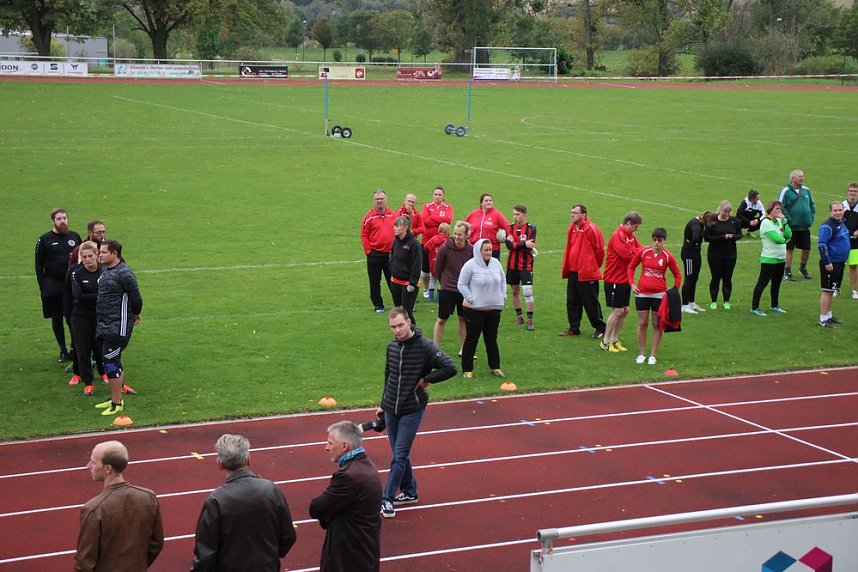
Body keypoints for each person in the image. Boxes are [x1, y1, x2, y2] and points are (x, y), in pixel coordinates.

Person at [378, 307, 456, 518]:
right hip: (391, 408)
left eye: (400, 325)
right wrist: (382, 404)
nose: (397, 331)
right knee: (398, 454)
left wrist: (427, 380)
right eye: (393, 327)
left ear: (409, 322)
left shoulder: (425, 347)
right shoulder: (392, 348)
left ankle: (387, 499)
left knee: (400, 454)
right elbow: (388, 375)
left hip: (412, 409)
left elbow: (450, 367)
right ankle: (410, 491)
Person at [191, 434, 297, 571]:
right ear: (248, 459)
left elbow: (206, 553)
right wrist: (269, 557)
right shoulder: (272, 490)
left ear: (219, 463)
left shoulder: (216, 500)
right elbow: (288, 536)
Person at [74, 440, 163, 572]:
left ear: (108, 468)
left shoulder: (93, 509)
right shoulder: (148, 498)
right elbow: (156, 543)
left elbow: (84, 563)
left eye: (93, 462)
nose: (88, 465)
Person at [309, 421, 382, 572]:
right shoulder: (368, 466)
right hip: (364, 552)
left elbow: (317, 508)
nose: (326, 447)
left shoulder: (348, 476)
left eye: (330, 443)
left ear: (344, 446)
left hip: (349, 557)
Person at [94, 240, 143, 416]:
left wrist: (135, 314)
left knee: (110, 363)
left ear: (115, 253)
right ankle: (115, 397)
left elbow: (136, 297)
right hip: (106, 323)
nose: (100, 255)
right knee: (113, 361)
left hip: (118, 326)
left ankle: (117, 402)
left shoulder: (125, 273)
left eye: (103, 252)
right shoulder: (106, 270)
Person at [627, 228, 681, 365]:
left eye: (659, 240)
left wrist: (675, 289)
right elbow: (631, 267)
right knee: (642, 323)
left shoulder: (668, 256)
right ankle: (641, 353)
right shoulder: (644, 252)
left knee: (657, 324)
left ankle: (653, 355)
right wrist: (632, 284)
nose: (656, 243)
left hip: (659, 295)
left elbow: (677, 273)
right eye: (654, 240)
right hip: (642, 293)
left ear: (664, 241)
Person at [35, 207, 82, 362]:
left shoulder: (75, 236)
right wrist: (43, 286)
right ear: (53, 221)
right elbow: (38, 265)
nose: (62, 221)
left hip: (71, 285)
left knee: (73, 317)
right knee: (57, 318)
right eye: (59, 218)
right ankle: (63, 350)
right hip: (53, 285)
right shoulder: (44, 239)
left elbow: (82, 259)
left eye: (64, 218)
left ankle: (75, 349)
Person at [457, 239, 507, 379]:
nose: (488, 253)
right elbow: (461, 284)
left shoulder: (496, 263)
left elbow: (503, 280)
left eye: (490, 250)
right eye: (486, 250)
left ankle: (495, 367)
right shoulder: (470, 266)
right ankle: (467, 369)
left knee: (491, 339)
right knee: (472, 338)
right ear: (479, 251)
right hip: (474, 310)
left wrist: (502, 296)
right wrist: (472, 299)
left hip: (494, 309)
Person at [64, 241, 106, 395]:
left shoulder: (104, 271)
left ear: (97, 255)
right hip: (80, 316)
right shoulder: (76, 273)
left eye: (90, 256)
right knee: (82, 349)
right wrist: (100, 296)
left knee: (100, 346)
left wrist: (99, 297)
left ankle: (104, 373)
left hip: (99, 315)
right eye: (84, 257)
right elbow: (78, 296)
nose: (88, 259)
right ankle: (88, 382)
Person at [559, 204, 606, 339]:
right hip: (574, 271)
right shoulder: (572, 228)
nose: (572, 214)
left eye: (575, 212)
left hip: (587, 273)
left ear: (583, 215)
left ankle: (600, 327)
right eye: (571, 212)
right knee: (572, 300)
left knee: (591, 302)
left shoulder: (591, 229)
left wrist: (591, 267)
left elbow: (599, 251)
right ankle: (574, 328)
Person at [601, 212, 642, 352]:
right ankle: (605, 341)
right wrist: (633, 251)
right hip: (614, 279)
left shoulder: (630, 237)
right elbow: (626, 255)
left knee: (625, 310)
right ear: (628, 223)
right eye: (635, 226)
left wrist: (633, 250)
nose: (637, 229)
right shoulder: (617, 235)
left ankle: (614, 339)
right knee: (618, 310)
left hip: (625, 279)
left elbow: (640, 251)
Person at [433, 221, 473, 353]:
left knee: (463, 319)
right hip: (448, 289)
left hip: (464, 291)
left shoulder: (471, 250)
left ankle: (464, 349)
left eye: (460, 234)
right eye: (455, 233)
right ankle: (435, 349)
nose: (457, 236)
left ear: (467, 235)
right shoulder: (445, 248)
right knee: (441, 319)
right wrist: (444, 283)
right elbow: (438, 268)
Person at [750, 201, 792, 317]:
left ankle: (775, 305)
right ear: (770, 210)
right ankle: (755, 307)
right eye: (777, 209)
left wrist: (784, 222)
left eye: (780, 209)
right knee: (762, 283)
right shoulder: (765, 223)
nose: (779, 211)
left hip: (781, 258)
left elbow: (789, 234)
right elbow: (777, 239)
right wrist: (785, 240)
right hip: (769, 259)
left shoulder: (779, 221)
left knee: (776, 283)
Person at [361, 190, 396, 313]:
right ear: (374, 201)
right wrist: (368, 251)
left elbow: (399, 231)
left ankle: (399, 303)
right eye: (377, 199)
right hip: (374, 255)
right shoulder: (369, 217)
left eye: (382, 198)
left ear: (386, 199)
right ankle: (378, 305)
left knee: (394, 280)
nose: (380, 201)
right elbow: (364, 235)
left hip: (390, 254)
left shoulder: (393, 215)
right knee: (375, 281)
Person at [704, 200, 743, 310]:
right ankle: (714, 301)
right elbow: (707, 237)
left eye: (729, 212)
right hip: (715, 254)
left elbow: (740, 235)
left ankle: (726, 301)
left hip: (730, 254)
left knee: (727, 277)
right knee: (715, 277)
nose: (727, 214)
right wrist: (722, 237)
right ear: (720, 210)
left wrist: (733, 237)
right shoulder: (713, 221)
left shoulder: (734, 221)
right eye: (725, 211)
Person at [778, 169, 816, 281]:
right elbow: (781, 207)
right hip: (791, 227)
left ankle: (803, 267)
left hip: (804, 226)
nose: (802, 178)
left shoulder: (806, 190)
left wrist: (810, 218)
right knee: (789, 249)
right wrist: (789, 220)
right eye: (800, 176)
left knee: (806, 249)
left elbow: (812, 205)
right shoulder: (786, 191)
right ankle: (787, 271)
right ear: (793, 178)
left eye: (802, 176)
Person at [817, 201, 851, 327]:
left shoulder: (841, 223)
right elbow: (821, 245)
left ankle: (829, 315)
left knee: (832, 290)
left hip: (840, 262)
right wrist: (827, 262)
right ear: (830, 212)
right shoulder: (827, 226)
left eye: (840, 210)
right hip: (831, 263)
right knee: (827, 290)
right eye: (835, 210)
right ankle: (823, 318)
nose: (838, 213)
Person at [504, 204, 537, 331]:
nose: (515, 217)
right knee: (514, 290)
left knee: (527, 292)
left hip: (526, 265)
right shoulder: (509, 227)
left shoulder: (531, 228)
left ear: (524, 214)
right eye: (514, 214)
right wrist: (523, 244)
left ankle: (530, 320)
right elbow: (509, 246)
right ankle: (519, 316)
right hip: (512, 265)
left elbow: (531, 245)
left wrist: (515, 243)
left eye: (517, 214)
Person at [420, 186, 454, 300]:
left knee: (441, 267)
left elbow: (448, 220)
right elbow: (424, 220)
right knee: (425, 268)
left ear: (443, 196)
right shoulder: (426, 206)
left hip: (442, 244)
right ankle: (426, 289)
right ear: (432, 195)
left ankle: (441, 290)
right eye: (436, 194)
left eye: (440, 194)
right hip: (427, 242)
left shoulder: (448, 207)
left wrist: (432, 218)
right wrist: (440, 219)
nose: (438, 196)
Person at [388, 215, 422, 323]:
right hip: (395, 282)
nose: (394, 228)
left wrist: (412, 283)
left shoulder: (414, 244)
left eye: (397, 226)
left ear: (405, 227)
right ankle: (401, 336)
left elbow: (417, 265)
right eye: (394, 226)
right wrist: (392, 268)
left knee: (406, 312)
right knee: (398, 312)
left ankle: (414, 334)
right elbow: (392, 255)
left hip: (407, 284)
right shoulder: (396, 241)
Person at [680, 211, 715, 314]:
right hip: (689, 255)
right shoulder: (695, 225)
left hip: (695, 254)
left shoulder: (700, 223)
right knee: (689, 278)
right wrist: (692, 245)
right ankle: (685, 305)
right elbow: (695, 236)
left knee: (694, 278)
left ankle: (692, 303)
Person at [464, 193, 510, 259]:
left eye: (490, 200)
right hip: (474, 248)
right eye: (486, 201)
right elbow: (463, 226)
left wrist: (508, 237)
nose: (489, 202)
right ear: (481, 203)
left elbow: (508, 228)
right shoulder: (473, 214)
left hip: (492, 250)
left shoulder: (497, 215)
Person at [422, 222, 451, 303]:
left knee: (432, 279)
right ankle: (439, 298)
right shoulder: (447, 241)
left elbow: (425, 247)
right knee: (441, 281)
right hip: (443, 265)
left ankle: (430, 298)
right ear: (447, 232)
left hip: (432, 263)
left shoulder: (433, 239)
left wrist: (430, 253)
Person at [842, 182, 858, 299]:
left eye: (855, 191)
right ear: (847, 192)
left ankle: (853, 290)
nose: (852, 193)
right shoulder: (842, 206)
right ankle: (836, 287)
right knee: (838, 265)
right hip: (841, 241)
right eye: (851, 191)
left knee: (853, 266)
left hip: (855, 242)